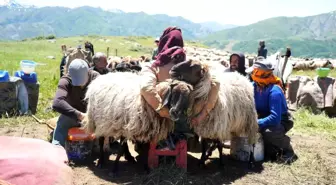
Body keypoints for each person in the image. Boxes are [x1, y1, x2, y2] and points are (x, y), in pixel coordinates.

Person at [140, 26, 219, 147]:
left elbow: (146, 88)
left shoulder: (154, 66)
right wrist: (203, 114)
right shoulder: (192, 65)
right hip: (187, 122)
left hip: (158, 121)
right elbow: (215, 83)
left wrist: (162, 111)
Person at [246, 58, 297, 164]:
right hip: (263, 116)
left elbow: (275, 118)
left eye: (254, 72)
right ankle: (269, 149)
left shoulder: (275, 92)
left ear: (260, 74)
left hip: (281, 120)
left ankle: (288, 150)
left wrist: (256, 123)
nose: (252, 75)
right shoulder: (254, 87)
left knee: (268, 132)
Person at [52, 59, 100, 147]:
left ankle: (100, 147)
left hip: (93, 117)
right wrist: (79, 115)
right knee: (63, 121)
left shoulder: (97, 79)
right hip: (72, 115)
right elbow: (57, 103)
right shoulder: (65, 81)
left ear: (88, 71)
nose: (80, 85)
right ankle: (57, 149)